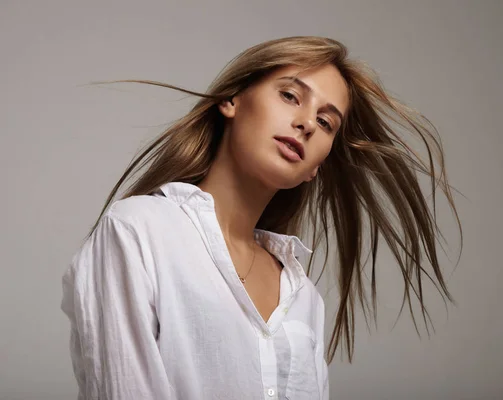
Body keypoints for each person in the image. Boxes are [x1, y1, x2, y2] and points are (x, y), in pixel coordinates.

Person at [61, 36, 462, 400]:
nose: (306, 123)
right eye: (290, 96)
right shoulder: (138, 230)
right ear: (232, 100)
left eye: (326, 123)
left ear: (315, 168)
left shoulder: (302, 296)